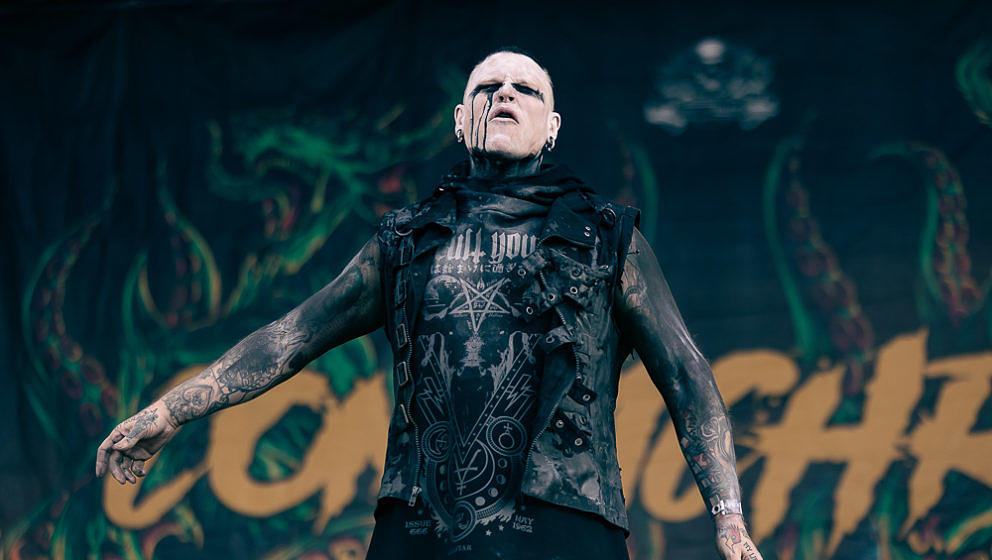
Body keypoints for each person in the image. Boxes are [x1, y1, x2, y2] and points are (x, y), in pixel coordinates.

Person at [95, 48, 764, 560]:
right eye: (487, 88)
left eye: (525, 89)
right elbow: (293, 335)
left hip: (566, 522)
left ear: (552, 127)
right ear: (460, 120)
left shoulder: (607, 237)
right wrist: (171, 409)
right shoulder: (406, 240)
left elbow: (686, 374)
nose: (505, 94)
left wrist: (729, 518)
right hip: (421, 525)